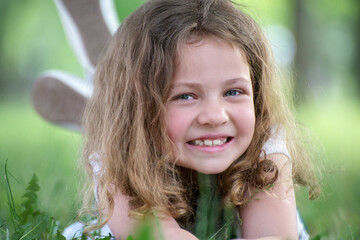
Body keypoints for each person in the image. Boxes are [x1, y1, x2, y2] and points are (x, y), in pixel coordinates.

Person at [79, 0, 320, 239]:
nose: (215, 116)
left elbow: (272, 236)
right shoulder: (120, 161)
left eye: (233, 92)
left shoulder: (265, 148)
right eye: (185, 96)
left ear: (256, 96)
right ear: (138, 109)